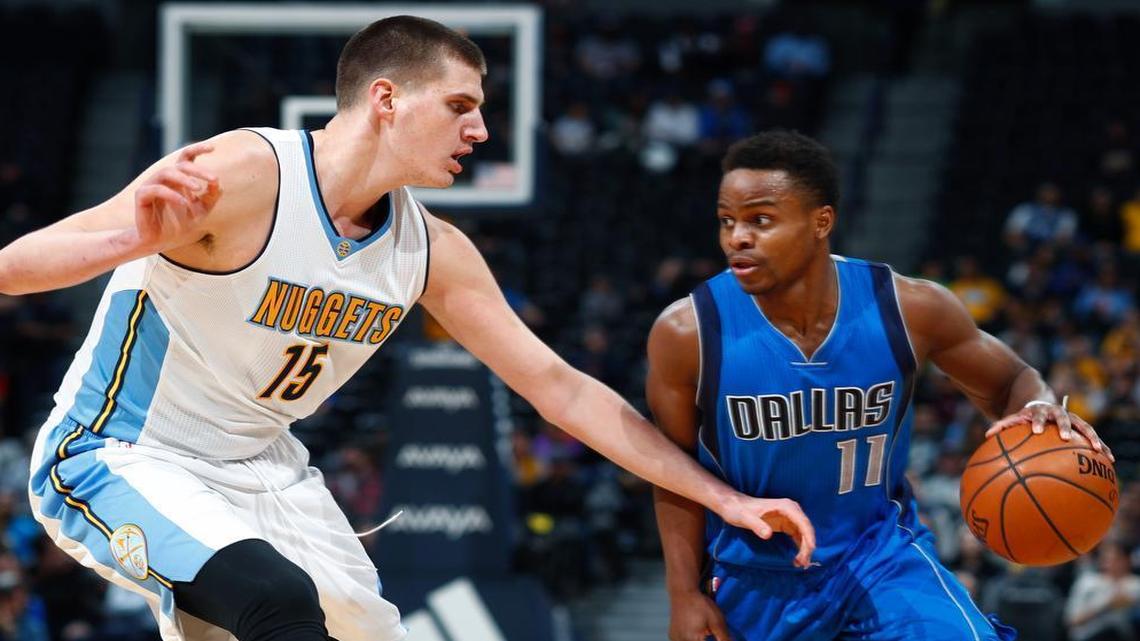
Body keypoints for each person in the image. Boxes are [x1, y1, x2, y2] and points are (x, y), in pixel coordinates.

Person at [0, 17, 816, 641]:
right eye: (461, 106)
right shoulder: (245, 173)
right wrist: (129, 241)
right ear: (386, 98)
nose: (481, 130)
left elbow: (560, 389)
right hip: (120, 450)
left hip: (265, 471)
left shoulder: (432, 252)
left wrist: (724, 496)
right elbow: (13, 265)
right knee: (276, 601)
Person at [646, 130, 1112, 641]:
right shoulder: (687, 333)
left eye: (760, 219)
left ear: (821, 221)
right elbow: (672, 474)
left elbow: (1011, 380)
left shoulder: (909, 308)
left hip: (878, 556)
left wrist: (1040, 408)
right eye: (727, 221)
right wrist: (683, 593)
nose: (737, 237)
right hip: (755, 577)